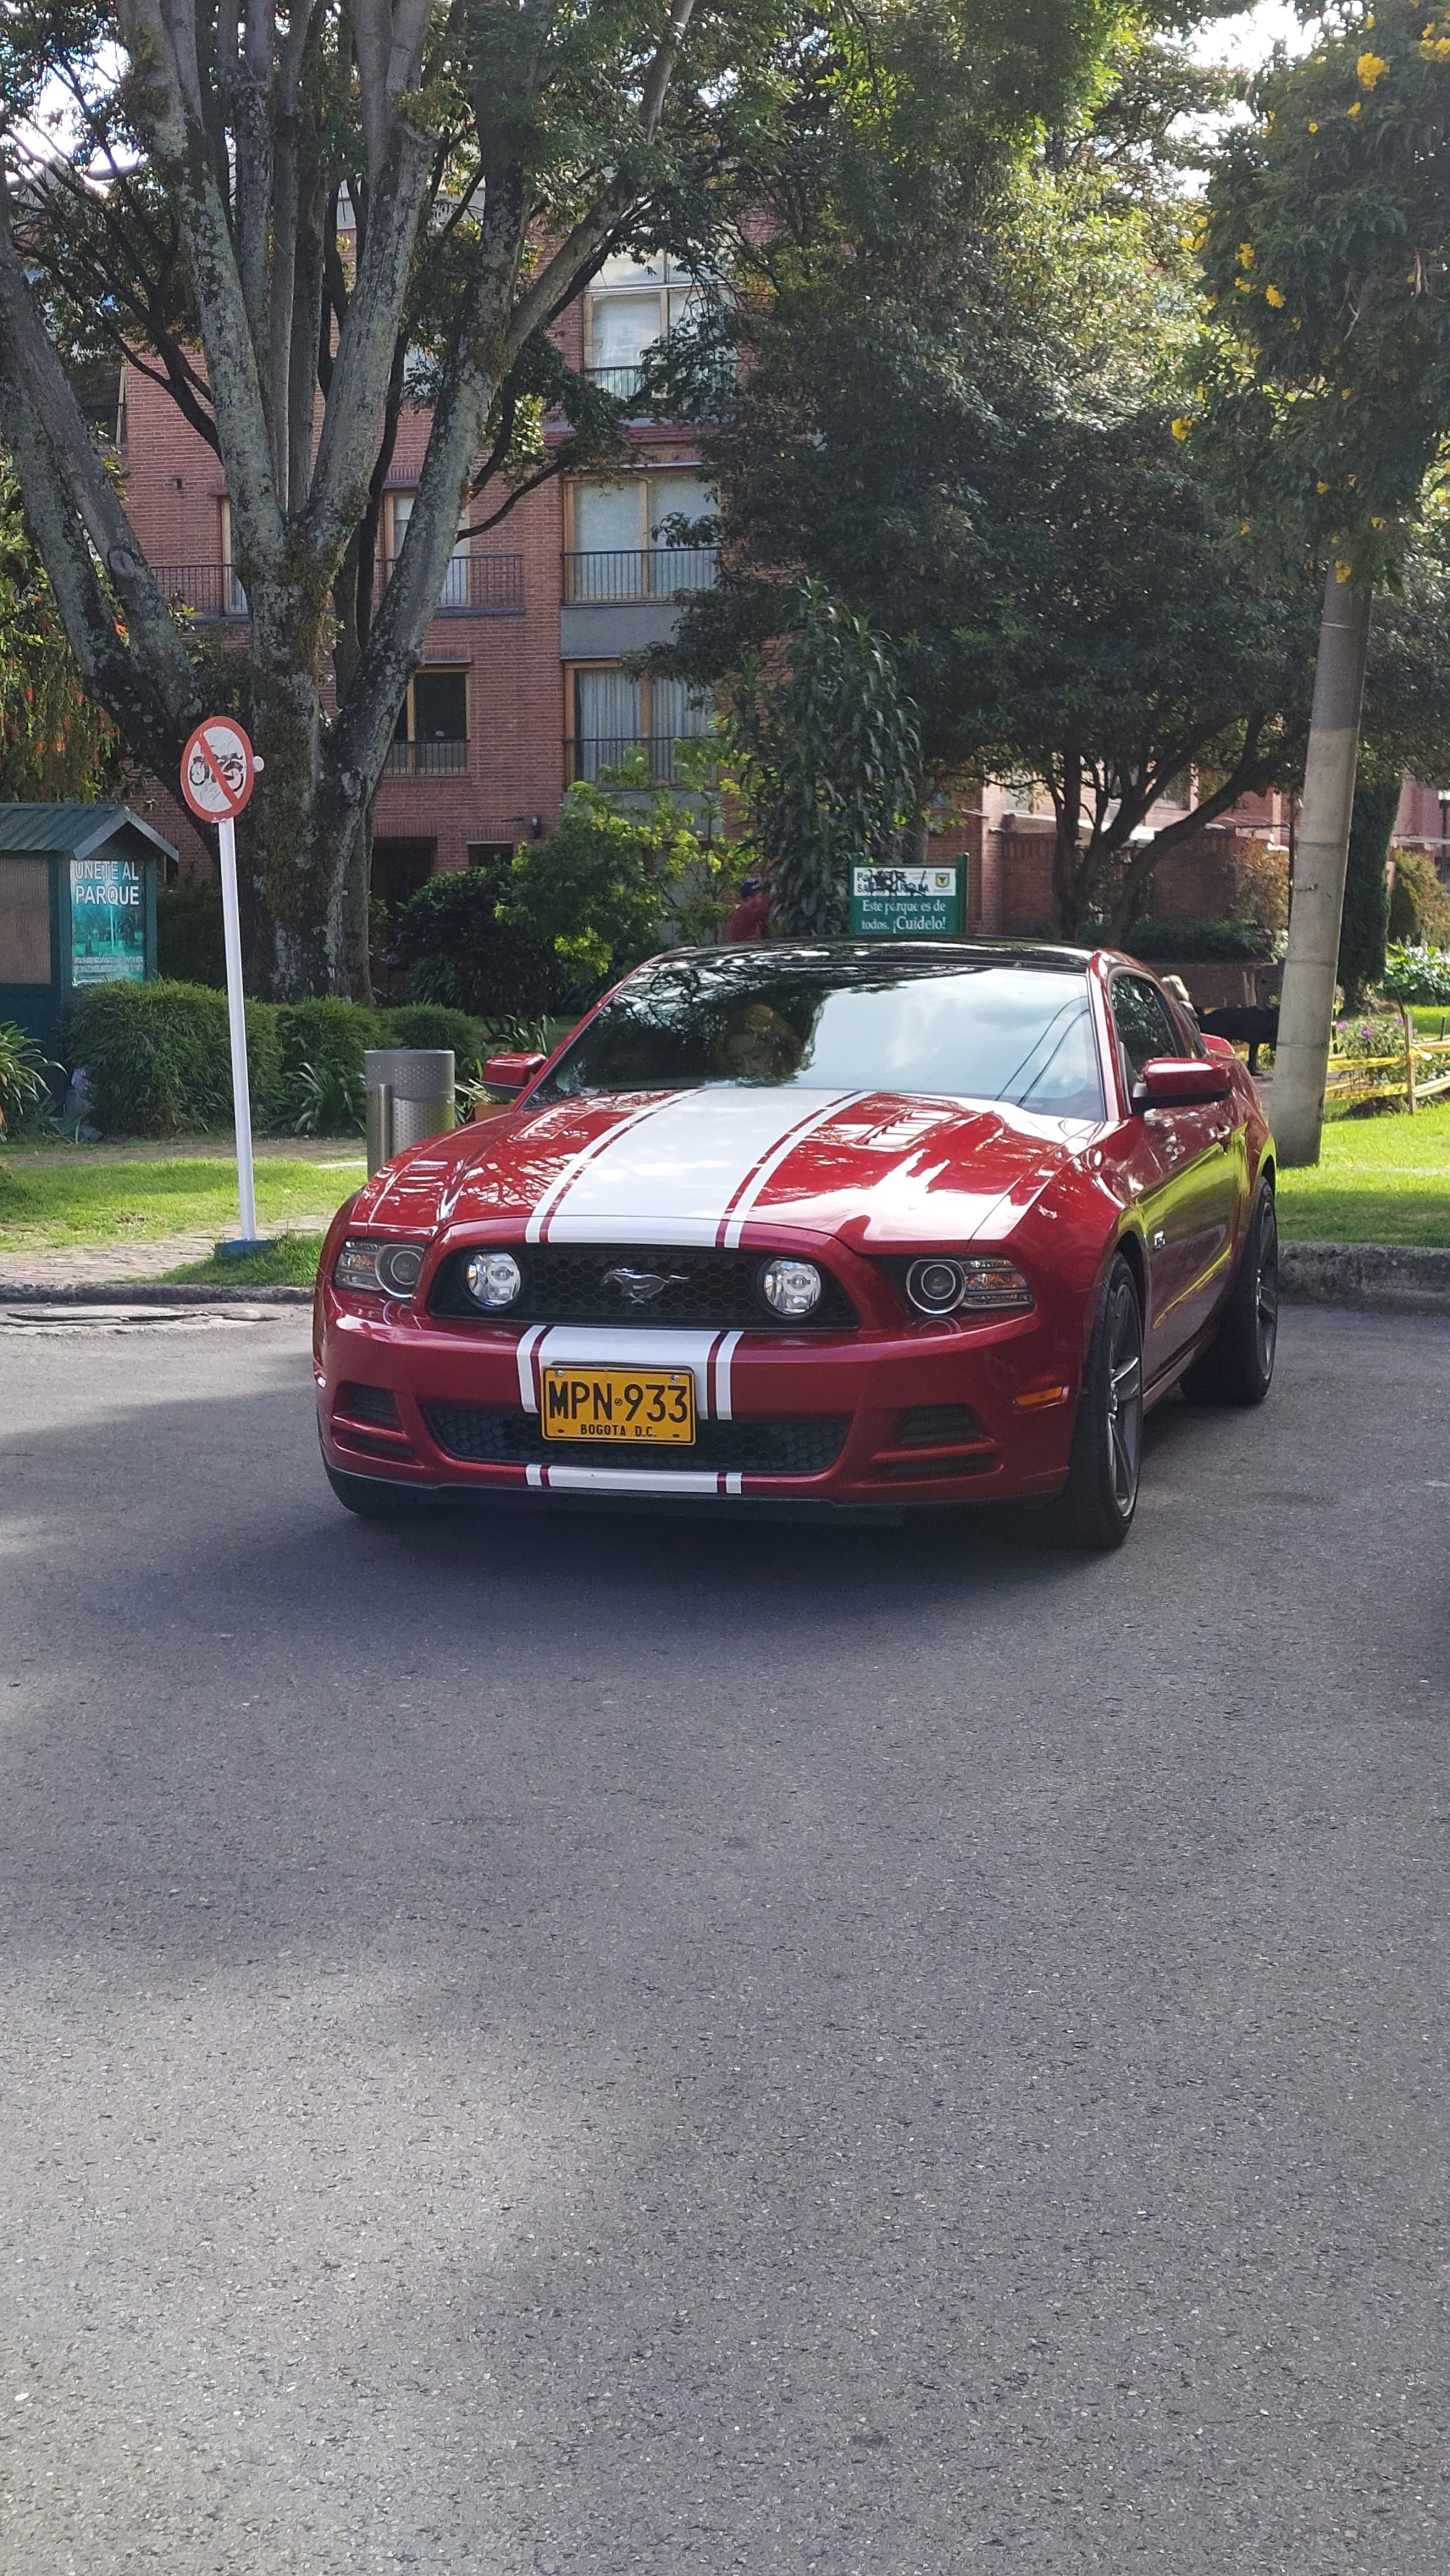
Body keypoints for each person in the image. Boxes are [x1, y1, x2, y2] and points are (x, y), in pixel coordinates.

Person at [724, 876, 771, 941]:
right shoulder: (746, 913)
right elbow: (765, 910)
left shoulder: (739, 912)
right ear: (750, 898)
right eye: (759, 896)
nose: (762, 898)